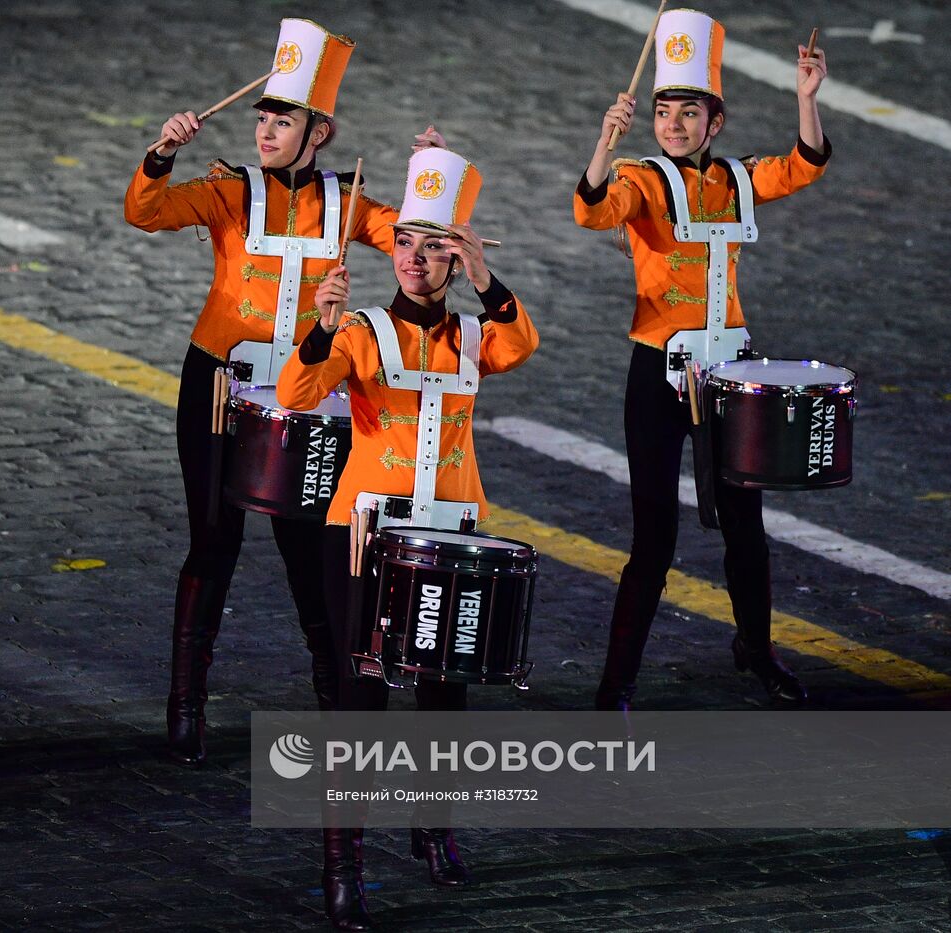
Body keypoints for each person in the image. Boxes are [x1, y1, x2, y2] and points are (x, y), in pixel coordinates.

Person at [124, 18, 438, 767]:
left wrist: (429, 178)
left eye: (283, 119)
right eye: (262, 116)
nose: (266, 128)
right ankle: (186, 701)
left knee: (307, 548)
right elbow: (146, 212)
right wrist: (162, 153)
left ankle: (335, 696)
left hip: (303, 396)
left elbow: (415, 240)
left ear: (319, 130)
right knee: (213, 539)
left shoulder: (348, 200)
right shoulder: (230, 190)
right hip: (218, 385)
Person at [278, 147, 538, 930]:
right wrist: (320, 331)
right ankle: (343, 868)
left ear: (455, 257)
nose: (416, 259)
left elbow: (520, 344)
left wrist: (488, 281)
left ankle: (433, 827)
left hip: (448, 533)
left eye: (434, 247)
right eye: (404, 244)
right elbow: (296, 393)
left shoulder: (470, 331)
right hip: (361, 534)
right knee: (358, 700)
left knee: (442, 696)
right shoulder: (359, 329)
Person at [574, 9, 830, 710]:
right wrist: (605, 144)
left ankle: (756, 648)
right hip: (656, 373)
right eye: (664, 111)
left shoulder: (738, 179)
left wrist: (806, 99)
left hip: (729, 372)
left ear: (715, 121)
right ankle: (615, 682)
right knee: (652, 533)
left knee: (745, 525)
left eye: (688, 112)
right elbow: (594, 211)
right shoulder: (642, 179)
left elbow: (803, 167)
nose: (674, 123)